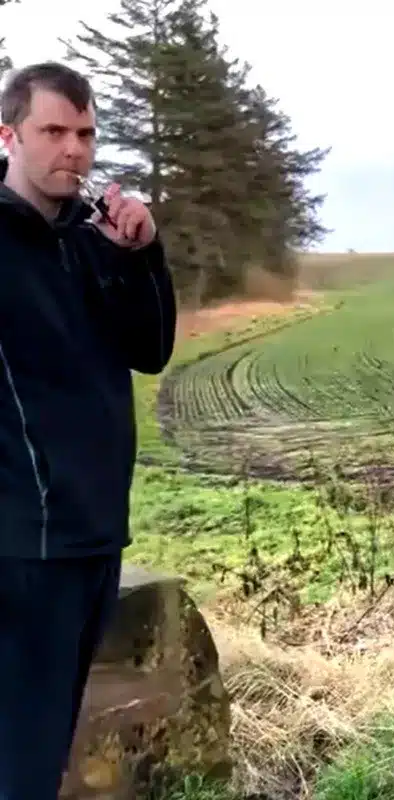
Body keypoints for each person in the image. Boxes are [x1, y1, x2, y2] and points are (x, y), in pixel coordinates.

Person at [0, 62, 177, 799]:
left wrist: (141, 257)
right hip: (22, 542)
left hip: (97, 531)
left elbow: (151, 348)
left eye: (86, 133)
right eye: (52, 131)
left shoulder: (91, 237)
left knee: (49, 741)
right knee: (21, 757)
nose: (73, 149)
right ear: (7, 135)